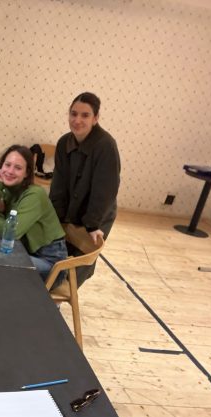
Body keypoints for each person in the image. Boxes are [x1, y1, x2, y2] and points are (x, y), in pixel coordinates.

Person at [49, 92, 121, 285]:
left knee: (78, 267)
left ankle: (62, 293)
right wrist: (55, 217)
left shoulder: (106, 145)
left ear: (95, 118)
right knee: (58, 254)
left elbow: (105, 191)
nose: (77, 120)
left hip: (97, 214)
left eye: (85, 115)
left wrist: (92, 224)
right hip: (71, 207)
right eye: (73, 114)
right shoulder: (64, 142)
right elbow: (58, 185)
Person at [0, 145, 67, 281]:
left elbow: (11, 232)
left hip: (50, 263)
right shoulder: (8, 188)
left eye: (18, 168)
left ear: (27, 173)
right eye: (7, 165)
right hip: (24, 250)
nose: (10, 171)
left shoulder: (35, 195)